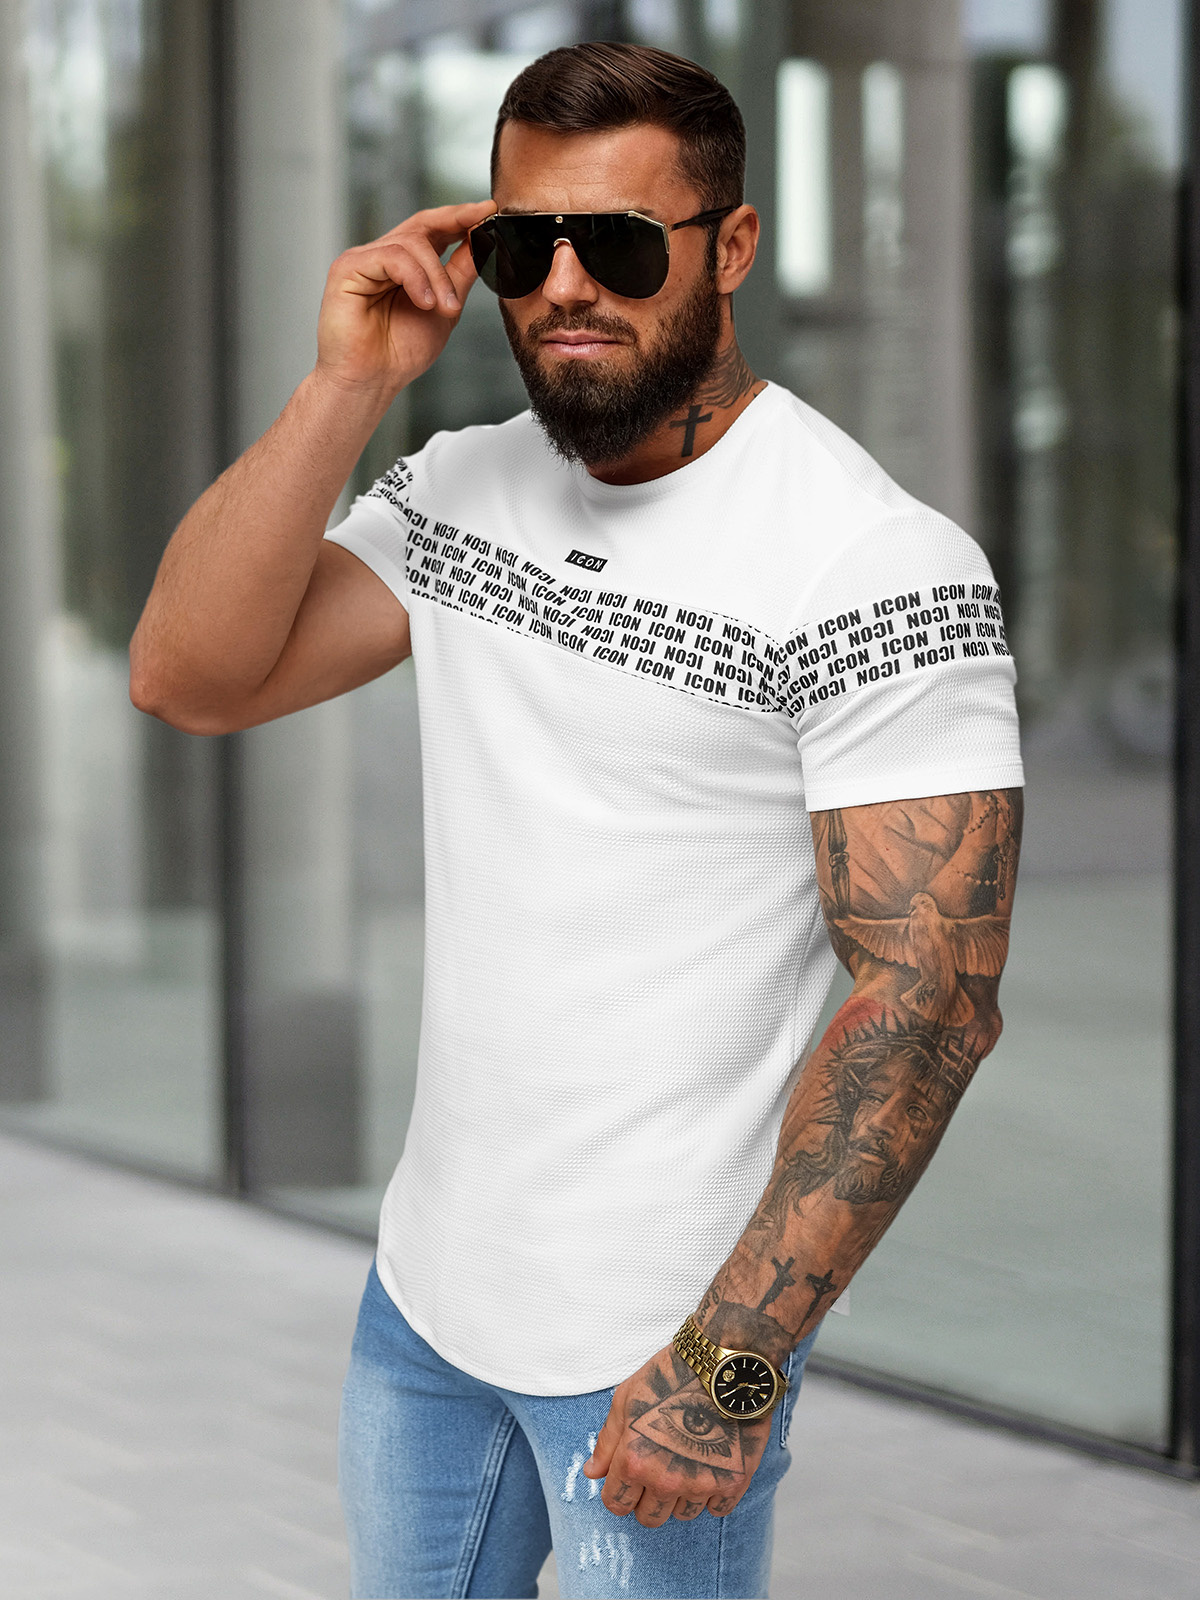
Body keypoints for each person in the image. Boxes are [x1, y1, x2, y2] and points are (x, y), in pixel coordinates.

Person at [130, 40, 1023, 1600]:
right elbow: (188, 677)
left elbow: (931, 998)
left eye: (615, 243)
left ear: (731, 246)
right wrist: (347, 386)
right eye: (520, 244)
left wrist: (732, 1369)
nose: (562, 287)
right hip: (426, 1305)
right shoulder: (463, 489)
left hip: (660, 1338)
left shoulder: (873, 562)